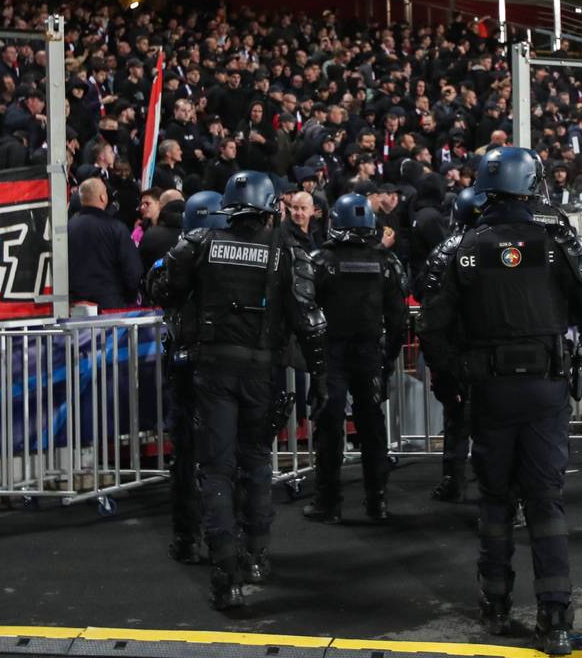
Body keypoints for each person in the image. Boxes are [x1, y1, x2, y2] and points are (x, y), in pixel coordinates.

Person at [418, 147, 582, 655]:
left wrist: (455, 384)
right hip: (545, 389)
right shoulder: (557, 241)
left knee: (494, 499)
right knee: (544, 501)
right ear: (532, 185)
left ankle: (495, 605)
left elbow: (433, 331)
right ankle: (554, 620)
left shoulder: (461, 247)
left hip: (488, 392)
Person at [151, 170, 328, 610]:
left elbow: (161, 289)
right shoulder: (286, 252)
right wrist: (321, 378)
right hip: (259, 374)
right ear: (271, 207)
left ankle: (224, 574)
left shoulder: (199, 244)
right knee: (255, 464)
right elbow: (310, 322)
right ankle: (255, 556)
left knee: (216, 470)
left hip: (212, 373)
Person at [303, 193, 408, 524]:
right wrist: (387, 362)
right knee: (373, 428)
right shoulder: (387, 263)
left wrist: (313, 360)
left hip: (332, 355)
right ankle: (377, 502)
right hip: (368, 354)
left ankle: (328, 502)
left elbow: (305, 313)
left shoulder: (319, 260)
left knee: (330, 427)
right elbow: (399, 321)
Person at [148, 190, 228, 564]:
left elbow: (156, 290)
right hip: (228, 369)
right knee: (229, 458)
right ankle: (230, 540)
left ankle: (189, 538)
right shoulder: (242, 254)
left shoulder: (180, 257)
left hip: (191, 367)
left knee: (188, 456)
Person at [415, 185, 486, 502]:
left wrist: (440, 365)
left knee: (457, 417)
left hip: (459, 348)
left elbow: (422, 294)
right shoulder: (505, 246)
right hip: (486, 347)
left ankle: (454, 480)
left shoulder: (446, 250)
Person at [67, 178, 143, 309]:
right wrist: (128, 298)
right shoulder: (116, 228)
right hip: (110, 307)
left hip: (74, 307)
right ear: (103, 197)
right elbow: (133, 271)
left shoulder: (67, 228)